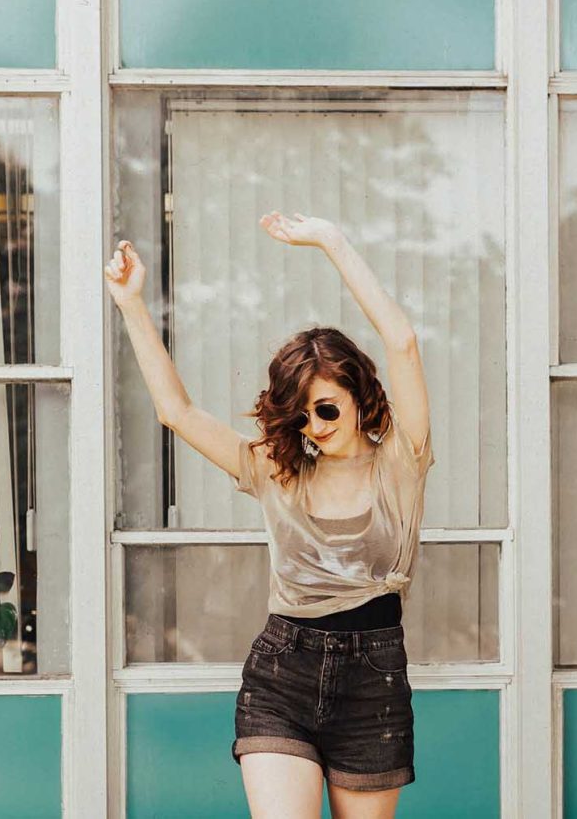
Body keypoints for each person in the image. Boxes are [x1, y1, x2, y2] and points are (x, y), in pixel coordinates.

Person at [106, 211, 433, 819]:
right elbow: (177, 411)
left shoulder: (402, 464)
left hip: (374, 684)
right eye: (301, 416)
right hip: (282, 673)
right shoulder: (278, 469)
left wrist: (332, 240)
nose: (315, 427)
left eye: (327, 410)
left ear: (361, 397)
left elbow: (402, 342)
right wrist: (131, 305)